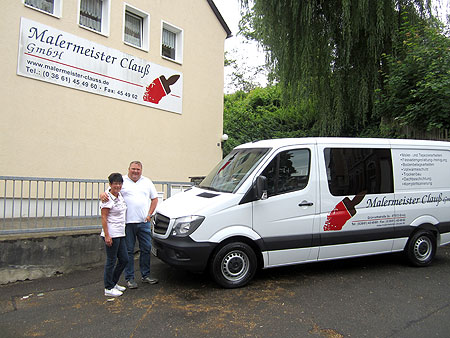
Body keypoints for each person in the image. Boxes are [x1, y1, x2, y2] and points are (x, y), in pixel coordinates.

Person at [101, 161, 159, 289]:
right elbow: (108, 193)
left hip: (143, 223)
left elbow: (154, 199)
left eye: (138, 169)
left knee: (146, 249)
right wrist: (102, 195)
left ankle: (146, 275)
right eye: (133, 169)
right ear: (129, 169)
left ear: (141, 170)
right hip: (127, 223)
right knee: (128, 252)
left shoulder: (147, 182)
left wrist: (150, 214)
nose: (135, 171)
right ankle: (130, 278)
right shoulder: (122, 181)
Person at [100, 173, 129, 297]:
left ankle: (113, 282)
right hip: (111, 234)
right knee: (111, 261)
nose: (117, 185)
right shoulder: (107, 199)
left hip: (120, 233)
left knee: (124, 259)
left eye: (119, 183)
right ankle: (108, 287)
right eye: (115, 183)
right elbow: (104, 217)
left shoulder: (120, 195)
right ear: (110, 184)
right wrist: (107, 235)